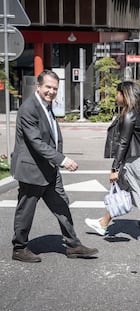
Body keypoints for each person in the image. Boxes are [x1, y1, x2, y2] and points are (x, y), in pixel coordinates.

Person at [11, 69, 98, 263]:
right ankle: (19, 248)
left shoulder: (45, 105)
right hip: (32, 169)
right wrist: (62, 159)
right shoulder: (29, 108)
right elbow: (36, 142)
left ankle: (73, 245)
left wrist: (55, 162)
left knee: (62, 205)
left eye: (55, 88)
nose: (51, 91)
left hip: (49, 169)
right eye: (48, 87)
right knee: (26, 210)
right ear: (38, 86)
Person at [85, 81, 140, 241]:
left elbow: (123, 142)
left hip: (136, 161)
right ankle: (103, 223)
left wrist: (114, 168)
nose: (116, 96)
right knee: (121, 189)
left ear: (125, 95)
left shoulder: (129, 114)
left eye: (117, 93)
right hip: (138, 158)